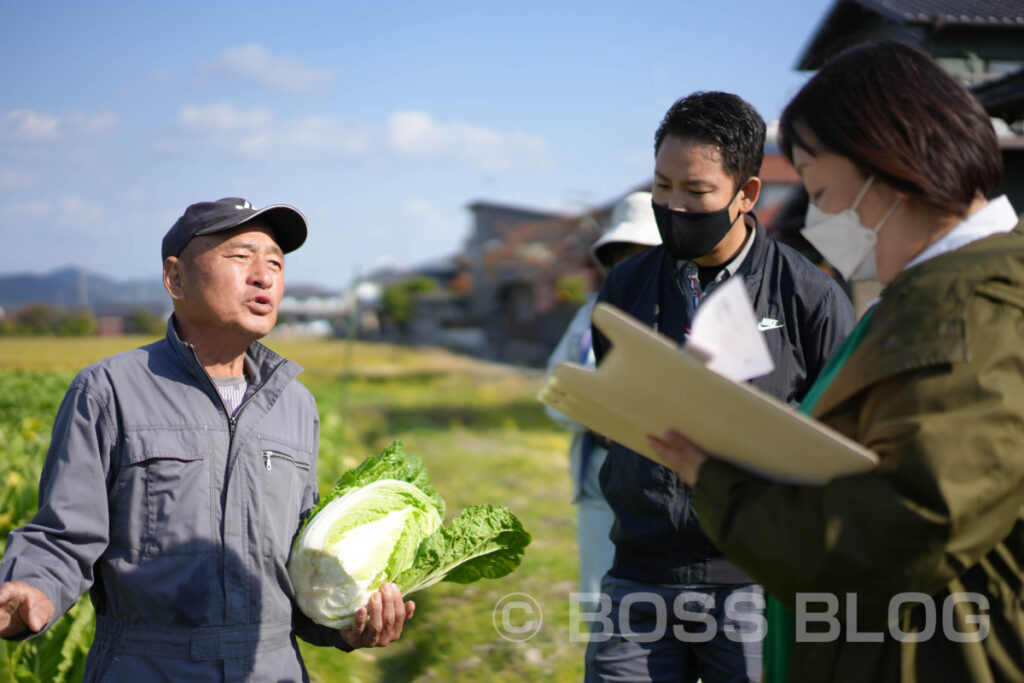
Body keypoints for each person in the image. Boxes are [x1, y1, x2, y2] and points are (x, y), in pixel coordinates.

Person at [648, 40, 1024, 683]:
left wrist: (719, 482)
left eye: (820, 190)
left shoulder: (972, 304)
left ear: (889, 163)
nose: (816, 217)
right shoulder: (926, 297)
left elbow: (909, 526)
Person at [0, 198, 413, 680]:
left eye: (276, 262)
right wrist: (29, 588)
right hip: (147, 666)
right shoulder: (110, 389)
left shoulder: (295, 404)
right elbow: (65, 534)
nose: (264, 276)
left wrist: (345, 625)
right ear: (175, 278)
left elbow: (297, 567)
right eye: (241, 257)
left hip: (271, 668)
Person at [586, 92, 856, 682]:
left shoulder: (808, 295)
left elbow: (842, 440)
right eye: (662, 187)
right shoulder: (624, 289)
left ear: (747, 193)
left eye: (697, 192)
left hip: (756, 582)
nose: (675, 205)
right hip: (640, 575)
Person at [544, 190, 661, 609]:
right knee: (598, 595)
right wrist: (591, 415)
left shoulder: (681, 313)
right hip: (597, 467)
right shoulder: (589, 313)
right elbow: (553, 390)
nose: (629, 263)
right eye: (621, 253)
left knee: (658, 597)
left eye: (643, 251)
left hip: (660, 472)